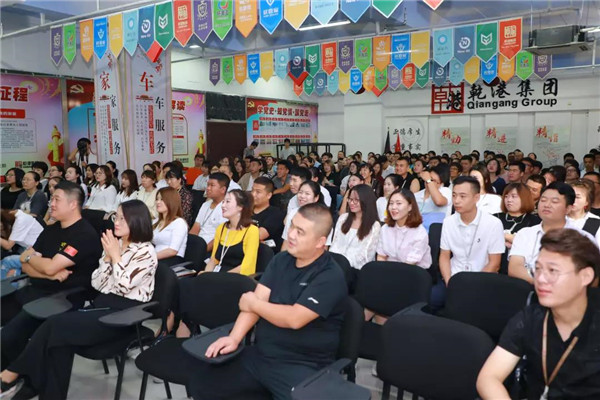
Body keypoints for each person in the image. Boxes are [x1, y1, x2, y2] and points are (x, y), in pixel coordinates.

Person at [186, 203, 347, 400]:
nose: (292, 235)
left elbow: (294, 318)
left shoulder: (330, 275)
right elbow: (257, 299)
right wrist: (235, 337)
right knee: (203, 383)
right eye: (292, 227)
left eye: (300, 231)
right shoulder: (281, 260)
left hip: (303, 364)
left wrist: (254, 304)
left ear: (320, 242)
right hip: (263, 355)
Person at [0, 200, 157, 400]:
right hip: (103, 305)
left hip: (125, 315)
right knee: (59, 342)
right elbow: (97, 283)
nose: (116, 222)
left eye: (122, 219)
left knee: (55, 325)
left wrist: (115, 258)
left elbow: (125, 286)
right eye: (116, 217)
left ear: (137, 221)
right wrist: (108, 259)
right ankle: (40, 390)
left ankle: (11, 374)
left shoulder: (146, 251)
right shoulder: (114, 245)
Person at [477, 229, 600, 399]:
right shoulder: (531, 317)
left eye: (553, 271)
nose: (541, 279)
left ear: (585, 276)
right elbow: (489, 378)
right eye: (538, 269)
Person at [0, 181, 102, 373]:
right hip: (37, 288)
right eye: (51, 198)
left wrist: (40, 265)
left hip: (62, 298)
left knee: (8, 335)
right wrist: (45, 270)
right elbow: (24, 261)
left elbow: (49, 266)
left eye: (56, 199)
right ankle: (16, 372)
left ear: (73, 204)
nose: (51, 203)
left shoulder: (84, 234)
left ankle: (21, 377)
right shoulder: (52, 229)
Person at [508, 182, 598, 284]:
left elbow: (592, 278)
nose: (547, 205)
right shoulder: (525, 234)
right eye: (543, 200)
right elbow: (515, 267)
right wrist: (541, 284)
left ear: (568, 208)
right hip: (528, 292)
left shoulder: (583, 239)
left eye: (554, 202)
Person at [439, 176, 505, 285]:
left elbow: (494, 263)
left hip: (483, 279)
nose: (456, 201)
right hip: (454, 277)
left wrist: (473, 286)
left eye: (462, 196)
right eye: (454, 195)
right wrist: (449, 282)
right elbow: (444, 255)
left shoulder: (493, 223)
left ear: (476, 197)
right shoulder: (448, 222)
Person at [202, 190, 259, 275]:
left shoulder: (251, 231)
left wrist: (220, 277)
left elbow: (247, 265)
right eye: (223, 201)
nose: (223, 205)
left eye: (228, 201)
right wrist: (206, 275)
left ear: (240, 207)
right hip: (218, 275)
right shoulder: (221, 228)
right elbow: (214, 259)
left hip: (237, 278)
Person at [330, 184, 381, 273]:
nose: (351, 203)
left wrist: (343, 264)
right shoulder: (343, 218)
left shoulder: (374, 225)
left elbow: (365, 255)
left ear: (366, 201)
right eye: (350, 199)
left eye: (356, 200)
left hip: (357, 270)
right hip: (335, 266)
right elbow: (335, 244)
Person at [376, 188, 431, 269]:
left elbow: (410, 264)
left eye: (398, 203)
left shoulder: (419, 232)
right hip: (389, 270)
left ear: (410, 207)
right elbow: (381, 257)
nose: (393, 207)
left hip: (413, 272)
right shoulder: (385, 229)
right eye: (391, 203)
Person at [493, 183, 541, 275]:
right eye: (506, 196)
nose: (509, 200)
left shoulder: (535, 221)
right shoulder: (495, 218)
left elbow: (532, 245)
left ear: (524, 198)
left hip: (523, 270)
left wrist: (505, 236)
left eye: (514, 196)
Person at [282, 181, 332, 251]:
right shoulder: (293, 213)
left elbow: (324, 248)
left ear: (316, 198)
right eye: (300, 192)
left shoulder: (324, 218)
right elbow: (286, 241)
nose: (302, 196)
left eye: (307, 194)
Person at [190, 173, 228, 252]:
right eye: (207, 185)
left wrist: (202, 251)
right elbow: (196, 227)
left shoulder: (227, 208)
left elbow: (220, 237)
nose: (208, 188)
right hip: (196, 246)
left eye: (212, 185)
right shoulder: (205, 204)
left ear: (223, 189)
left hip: (210, 250)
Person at [1, 209, 44, 279]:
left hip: (37, 252)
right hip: (25, 251)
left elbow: (8, 245)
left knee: (6, 262)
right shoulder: (11, 218)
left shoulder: (20, 220)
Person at [152, 187, 188, 267]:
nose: (158, 202)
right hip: (156, 258)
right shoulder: (156, 221)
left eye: (162, 199)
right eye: (157, 199)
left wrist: (149, 258)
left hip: (172, 261)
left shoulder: (179, 223)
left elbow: (173, 251)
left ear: (171, 201)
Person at [251, 177, 285, 251]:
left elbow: (259, 235)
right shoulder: (246, 210)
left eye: (258, 192)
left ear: (269, 195)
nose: (253, 194)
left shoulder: (276, 214)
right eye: (252, 190)